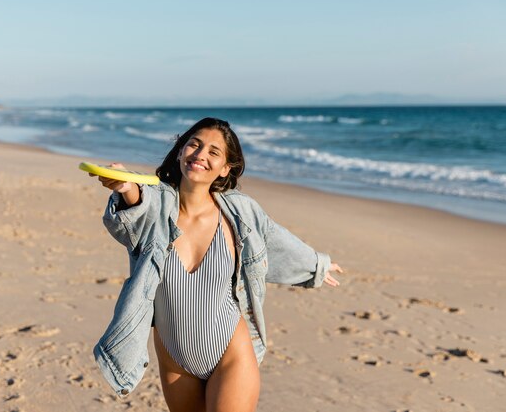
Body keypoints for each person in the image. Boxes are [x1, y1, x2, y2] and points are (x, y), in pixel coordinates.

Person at [90, 117, 343, 412]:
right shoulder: (156, 208)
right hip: (175, 364)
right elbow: (135, 203)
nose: (200, 155)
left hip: (231, 355)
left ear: (225, 168)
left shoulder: (240, 213)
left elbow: (274, 240)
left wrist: (315, 265)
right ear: (180, 151)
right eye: (194, 145)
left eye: (213, 152)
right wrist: (124, 185)